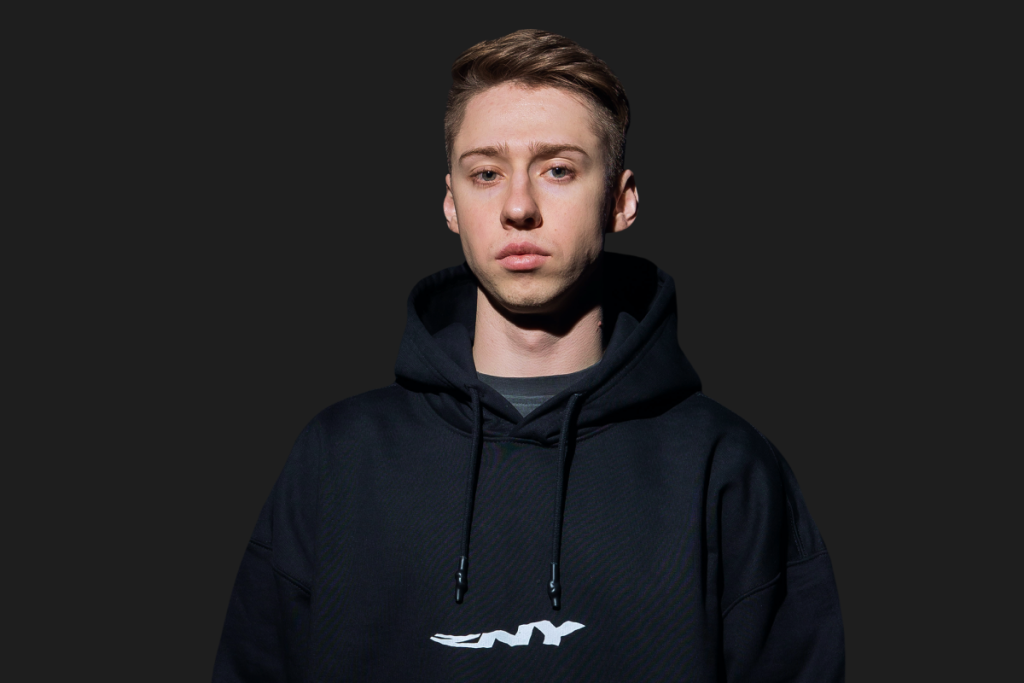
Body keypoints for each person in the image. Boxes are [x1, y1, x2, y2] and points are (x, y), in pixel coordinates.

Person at [213, 29, 845, 682]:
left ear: (621, 200)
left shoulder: (725, 466)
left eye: (558, 169)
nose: (518, 207)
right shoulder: (338, 456)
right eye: (486, 173)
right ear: (452, 203)